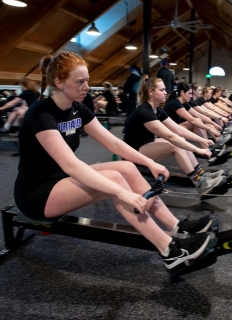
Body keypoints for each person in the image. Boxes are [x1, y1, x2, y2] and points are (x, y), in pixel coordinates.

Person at [14, 51, 216, 273]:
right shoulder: (40, 113)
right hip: (37, 193)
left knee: (127, 167)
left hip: (62, 180)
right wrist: (122, 193)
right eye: (80, 82)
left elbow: (114, 144)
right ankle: (171, 251)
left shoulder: (77, 109)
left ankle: (176, 227)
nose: (87, 87)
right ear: (59, 82)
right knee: (115, 180)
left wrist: (149, 162)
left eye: (87, 81)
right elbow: (70, 164)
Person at [124, 77, 226, 195]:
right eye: (162, 90)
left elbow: (177, 130)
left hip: (144, 145)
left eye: (165, 89)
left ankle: (201, 174)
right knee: (176, 145)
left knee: (180, 140)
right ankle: (199, 183)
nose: (165, 92)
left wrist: (203, 140)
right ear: (151, 92)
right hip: (133, 153)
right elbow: (170, 136)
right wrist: (198, 149)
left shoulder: (156, 110)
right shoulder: (145, 111)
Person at [163, 83, 221, 148]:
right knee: (196, 122)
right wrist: (210, 129)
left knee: (198, 120)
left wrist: (214, 123)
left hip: (175, 127)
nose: (191, 96)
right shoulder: (175, 103)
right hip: (167, 131)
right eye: (189, 93)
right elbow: (192, 120)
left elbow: (198, 115)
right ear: (182, 92)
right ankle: (207, 148)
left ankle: (212, 144)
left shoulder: (184, 103)